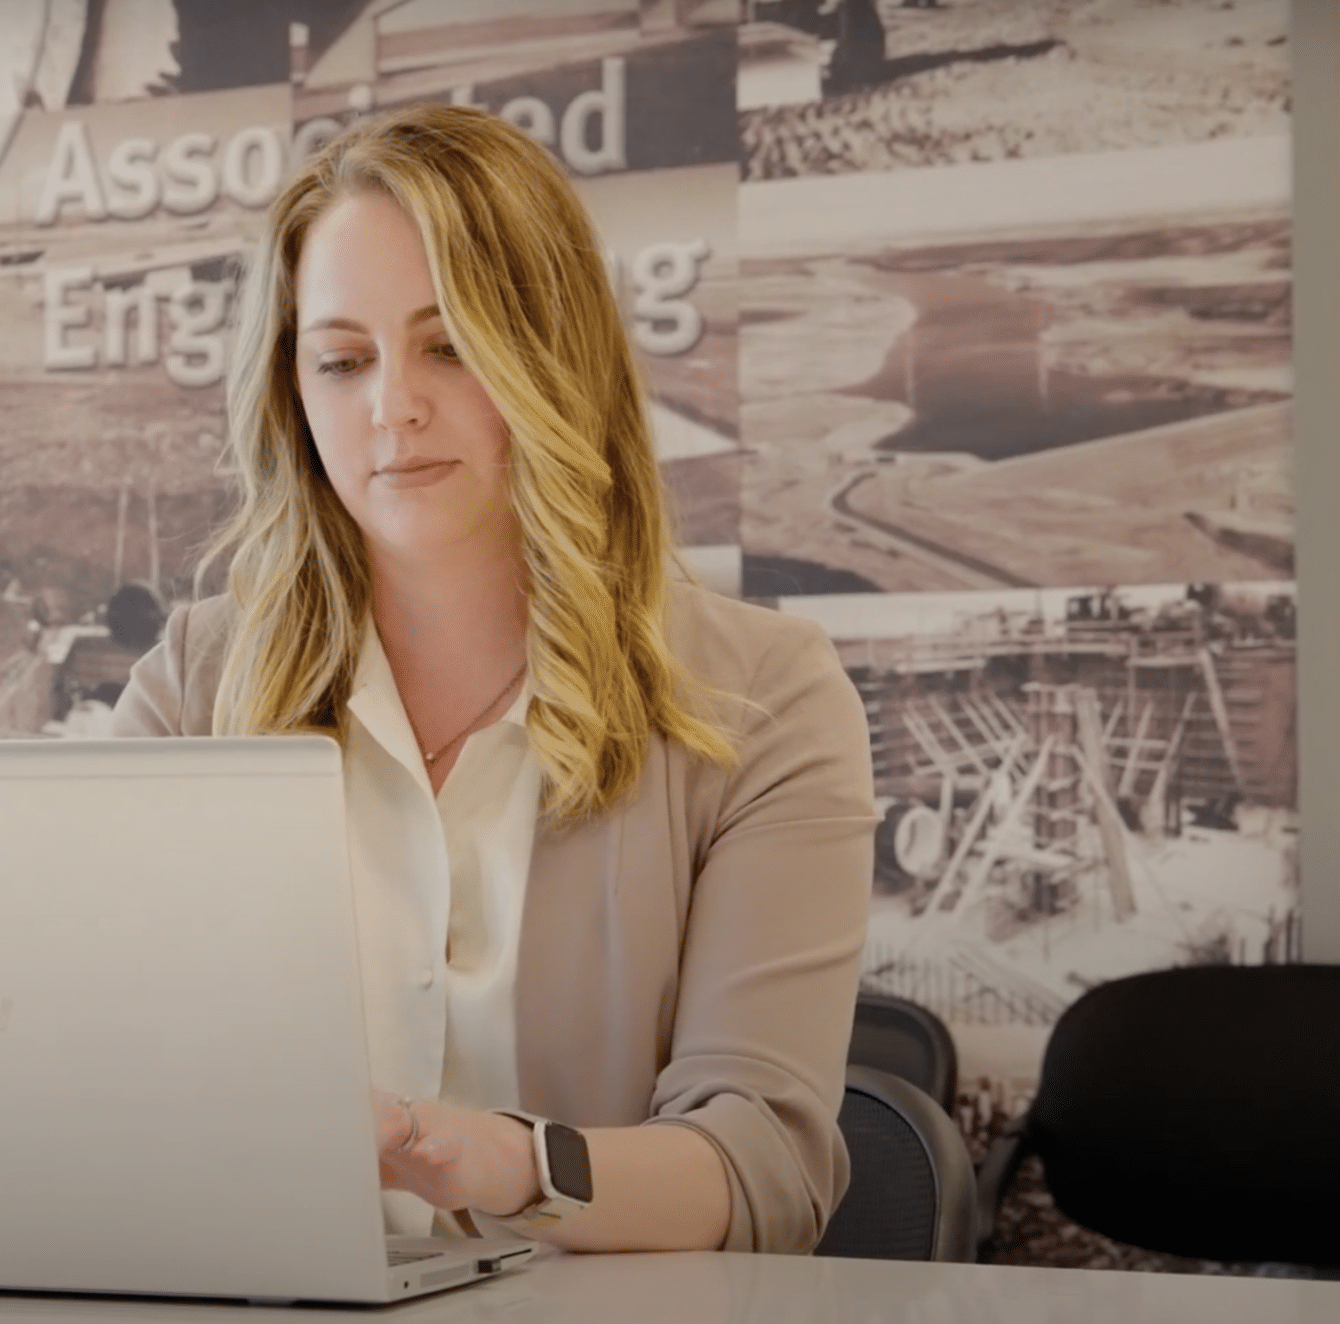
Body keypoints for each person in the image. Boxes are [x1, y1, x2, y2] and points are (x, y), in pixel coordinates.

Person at [109, 104, 875, 1254]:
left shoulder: (767, 700)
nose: (392, 408)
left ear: (550, 352)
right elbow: (74, 1066)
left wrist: (508, 1164)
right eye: (342, 360)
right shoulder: (191, 685)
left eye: (449, 342)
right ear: (292, 388)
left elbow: (762, 1169)